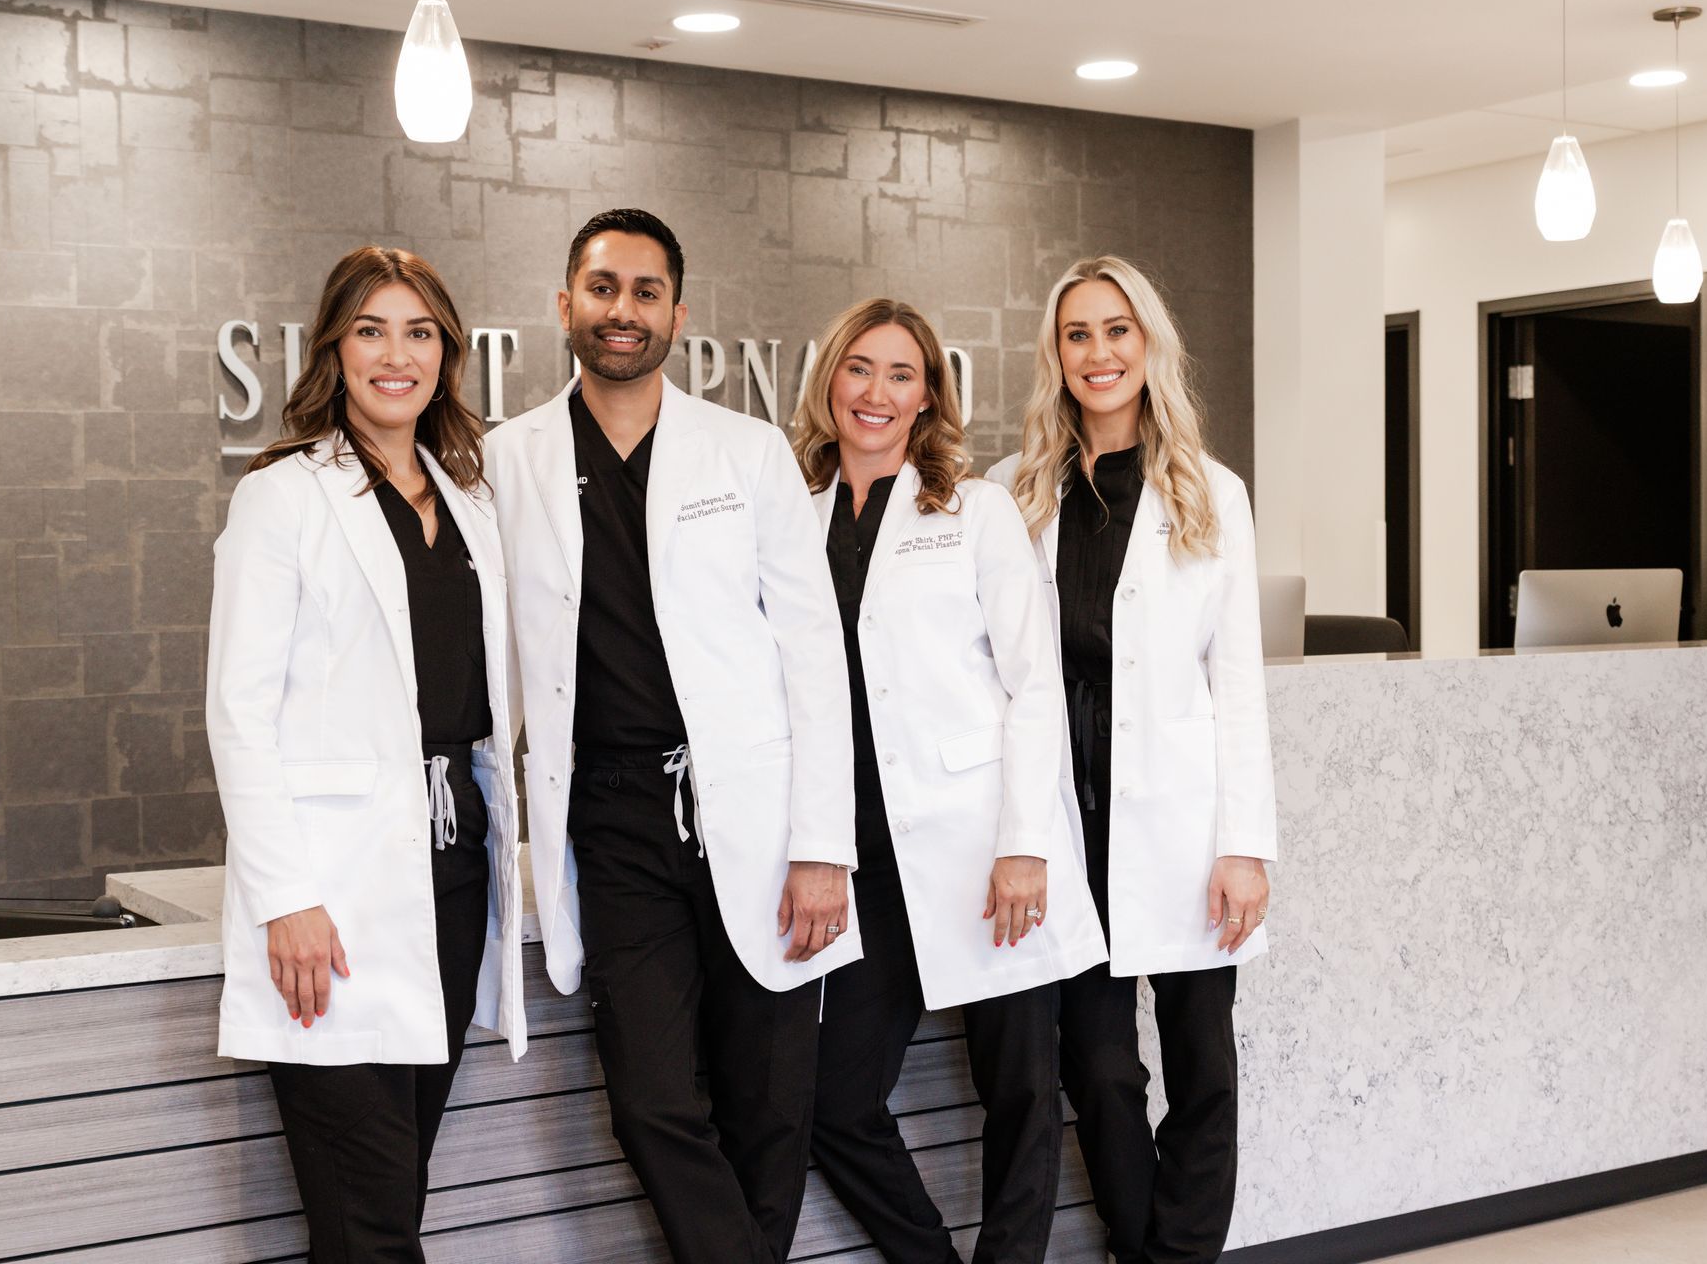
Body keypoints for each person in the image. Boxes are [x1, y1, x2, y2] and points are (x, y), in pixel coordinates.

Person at [483, 208, 859, 1264]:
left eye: (646, 292)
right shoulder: (509, 459)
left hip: (756, 807)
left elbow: (812, 656)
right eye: (603, 288)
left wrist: (824, 845)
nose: (623, 311)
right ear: (566, 304)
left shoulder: (745, 452)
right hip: (612, 814)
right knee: (651, 1100)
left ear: (678, 314)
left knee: (771, 1108)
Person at [206, 246, 525, 1262]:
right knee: (370, 1216)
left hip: (453, 877)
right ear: (334, 350)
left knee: (394, 1194)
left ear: (448, 353)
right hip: (332, 898)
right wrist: (285, 897)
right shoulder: (284, 495)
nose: (398, 355)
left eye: (420, 332)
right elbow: (237, 712)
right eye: (373, 330)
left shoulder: (469, 501)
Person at [794, 299, 1107, 1264]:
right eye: (859, 369)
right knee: (831, 1098)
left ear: (930, 395)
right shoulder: (793, 519)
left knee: (1020, 1088)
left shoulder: (974, 511)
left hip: (982, 842)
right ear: (828, 382)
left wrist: (1025, 844)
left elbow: (1033, 684)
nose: (876, 394)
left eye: (901, 375)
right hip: (863, 854)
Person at [987, 256, 1278, 1264]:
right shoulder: (1014, 492)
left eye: (1117, 330)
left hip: (1183, 816)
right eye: (1078, 334)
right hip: (1068, 811)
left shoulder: (1211, 491)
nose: (1099, 352)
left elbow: (1236, 680)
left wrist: (1246, 843)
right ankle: (1147, 1240)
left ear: (1147, 344)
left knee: (1202, 1060)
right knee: (1099, 1065)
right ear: (1055, 355)